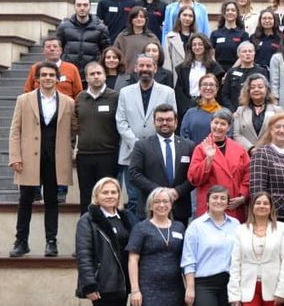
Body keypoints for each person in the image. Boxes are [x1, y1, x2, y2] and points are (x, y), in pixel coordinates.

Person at [8, 61, 75, 257]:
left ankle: (51, 242)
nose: (47, 78)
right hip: (29, 158)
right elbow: (15, 130)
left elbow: (75, 130)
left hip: (55, 158)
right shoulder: (24, 100)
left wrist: (73, 149)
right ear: (37, 78)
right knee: (25, 200)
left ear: (57, 78)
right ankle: (21, 242)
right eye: (44, 75)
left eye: (51, 75)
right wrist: (15, 156)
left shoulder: (68, 102)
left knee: (52, 201)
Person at [74, 177, 135, 306]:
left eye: (114, 192)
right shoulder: (88, 220)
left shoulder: (125, 218)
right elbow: (84, 254)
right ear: (97, 196)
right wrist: (89, 284)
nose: (110, 196)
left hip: (122, 284)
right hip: (102, 285)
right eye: (105, 192)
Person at [126, 188, 186, 306]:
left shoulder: (179, 227)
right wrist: (135, 290)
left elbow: (186, 259)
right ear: (151, 205)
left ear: (171, 205)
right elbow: (133, 259)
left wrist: (188, 287)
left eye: (165, 201)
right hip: (147, 287)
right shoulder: (141, 228)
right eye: (157, 202)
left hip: (173, 288)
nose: (162, 205)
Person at [182, 186, 239, 306]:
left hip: (228, 283)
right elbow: (188, 260)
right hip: (203, 283)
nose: (219, 201)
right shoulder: (196, 226)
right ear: (207, 201)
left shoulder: (235, 225)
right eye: (215, 198)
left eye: (223, 198)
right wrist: (190, 288)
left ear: (227, 202)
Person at [115, 55, 177, 216]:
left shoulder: (168, 92)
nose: (145, 69)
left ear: (155, 68)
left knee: (157, 198)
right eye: (141, 66)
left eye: (148, 66)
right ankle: (136, 230)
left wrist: (152, 146)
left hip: (157, 154)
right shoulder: (125, 92)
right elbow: (121, 121)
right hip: (131, 152)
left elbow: (170, 120)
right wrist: (136, 144)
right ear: (136, 68)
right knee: (134, 199)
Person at [127, 104, 195, 224]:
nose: (164, 123)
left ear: (176, 122)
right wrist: (159, 192)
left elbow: (194, 177)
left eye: (168, 120)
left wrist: (177, 191)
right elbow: (134, 174)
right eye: (160, 120)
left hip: (179, 209)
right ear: (154, 122)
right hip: (151, 209)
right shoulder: (142, 146)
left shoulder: (188, 146)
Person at [73, 61, 121, 211]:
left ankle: (107, 224)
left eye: (99, 73)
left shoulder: (115, 97)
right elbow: (74, 124)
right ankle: (86, 224)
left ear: (105, 76)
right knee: (86, 196)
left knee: (108, 196)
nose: (95, 76)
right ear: (86, 77)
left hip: (108, 155)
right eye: (92, 74)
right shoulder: (80, 98)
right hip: (84, 155)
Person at [187, 109, 251, 221]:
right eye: (216, 122)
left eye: (223, 124)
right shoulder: (200, 148)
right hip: (210, 207)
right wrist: (208, 160)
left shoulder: (239, 149)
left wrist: (243, 197)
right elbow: (194, 179)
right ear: (210, 123)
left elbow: (248, 174)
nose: (218, 127)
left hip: (233, 206)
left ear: (229, 127)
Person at [249, 112, 284, 222]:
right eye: (278, 127)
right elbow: (257, 189)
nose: (282, 130)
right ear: (271, 130)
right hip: (274, 215)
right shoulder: (261, 153)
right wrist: (262, 214)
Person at [55, 0, 110, 78]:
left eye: (85, 5)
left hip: (92, 75)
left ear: (90, 7)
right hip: (69, 73)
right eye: (79, 5)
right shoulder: (64, 27)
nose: (82, 8)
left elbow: (105, 52)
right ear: (74, 7)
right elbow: (57, 50)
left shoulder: (101, 28)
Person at [173, 34, 222, 119]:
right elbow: (179, 91)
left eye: (200, 44)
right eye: (194, 45)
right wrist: (187, 107)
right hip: (186, 107)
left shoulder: (214, 68)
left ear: (205, 46)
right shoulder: (182, 68)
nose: (197, 47)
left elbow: (217, 89)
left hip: (208, 106)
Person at [231, 73, 282, 151]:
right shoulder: (240, 111)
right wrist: (251, 149)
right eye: (252, 87)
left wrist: (263, 150)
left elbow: (280, 133)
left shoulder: (277, 111)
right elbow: (236, 134)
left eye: (260, 87)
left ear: (267, 90)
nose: (256, 89)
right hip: (246, 153)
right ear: (248, 91)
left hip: (270, 153)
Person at [219, 41, 269, 110]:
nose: (247, 53)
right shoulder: (231, 72)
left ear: (254, 53)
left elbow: (266, 92)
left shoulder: (262, 71)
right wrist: (232, 110)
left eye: (250, 51)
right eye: (244, 51)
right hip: (234, 110)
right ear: (238, 54)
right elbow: (225, 94)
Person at [112, 7, 160, 73]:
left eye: (141, 17)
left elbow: (159, 58)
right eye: (136, 17)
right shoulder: (122, 37)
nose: (139, 19)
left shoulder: (152, 37)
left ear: (145, 19)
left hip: (146, 74)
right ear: (131, 20)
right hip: (126, 74)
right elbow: (115, 54)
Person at [178, 73, 222, 144]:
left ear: (217, 89)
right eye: (205, 84)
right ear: (199, 88)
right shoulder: (190, 113)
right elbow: (184, 136)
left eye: (211, 85)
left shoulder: (223, 113)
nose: (208, 88)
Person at [162, 4, 201, 74]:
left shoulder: (198, 37)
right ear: (179, 17)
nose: (187, 18)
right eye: (184, 15)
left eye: (190, 16)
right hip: (177, 74)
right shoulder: (169, 37)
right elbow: (167, 62)